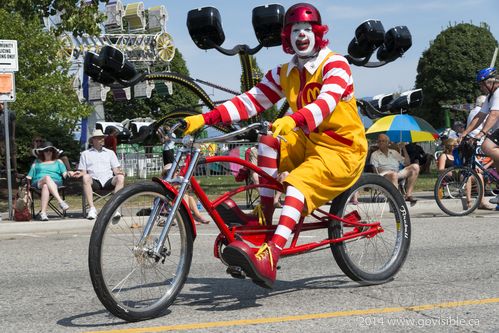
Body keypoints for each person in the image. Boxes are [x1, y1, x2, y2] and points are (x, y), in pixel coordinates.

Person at [183, 3, 367, 288]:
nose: (302, 35)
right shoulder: (285, 71)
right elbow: (251, 100)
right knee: (267, 143)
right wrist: (205, 118)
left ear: (318, 33)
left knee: (296, 184)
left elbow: (325, 103)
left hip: (341, 149)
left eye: (307, 29)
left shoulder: (336, 65)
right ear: (287, 37)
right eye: (295, 31)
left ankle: (271, 254)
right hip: (306, 142)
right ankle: (262, 220)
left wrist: (294, 120)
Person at [461, 67, 499, 203]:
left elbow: (494, 115)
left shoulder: (498, 93)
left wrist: (481, 133)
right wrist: (465, 133)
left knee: (486, 146)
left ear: (490, 83)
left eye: (482, 84)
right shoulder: (490, 97)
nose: (481, 88)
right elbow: (480, 116)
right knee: (495, 159)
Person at [72, 129, 125, 219]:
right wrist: (78, 174)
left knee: (120, 177)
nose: (103, 139)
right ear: (93, 140)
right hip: (95, 182)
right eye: (100, 138)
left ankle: (114, 208)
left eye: (103, 138)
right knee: (86, 177)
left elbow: (116, 170)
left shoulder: (110, 153)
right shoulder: (85, 154)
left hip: (108, 181)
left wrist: (120, 172)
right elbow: (83, 172)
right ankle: (92, 209)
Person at [26, 142, 73, 221]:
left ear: (53, 152)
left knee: (46, 186)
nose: (48, 152)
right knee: (47, 178)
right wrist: (27, 187)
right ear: (42, 152)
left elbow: (65, 174)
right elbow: (29, 177)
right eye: (46, 150)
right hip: (38, 182)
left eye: (50, 150)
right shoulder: (36, 162)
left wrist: (69, 173)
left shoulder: (58, 161)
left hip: (56, 182)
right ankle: (60, 201)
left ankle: (43, 213)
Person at [370, 134, 419, 205]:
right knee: (393, 174)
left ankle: (408, 195)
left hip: (397, 173)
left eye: (383, 141)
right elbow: (375, 170)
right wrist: (388, 172)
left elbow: (407, 163)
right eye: (379, 141)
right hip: (384, 175)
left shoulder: (393, 152)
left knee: (415, 167)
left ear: (388, 143)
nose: (380, 143)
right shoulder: (374, 154)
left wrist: (404, 148)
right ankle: (397, 202)